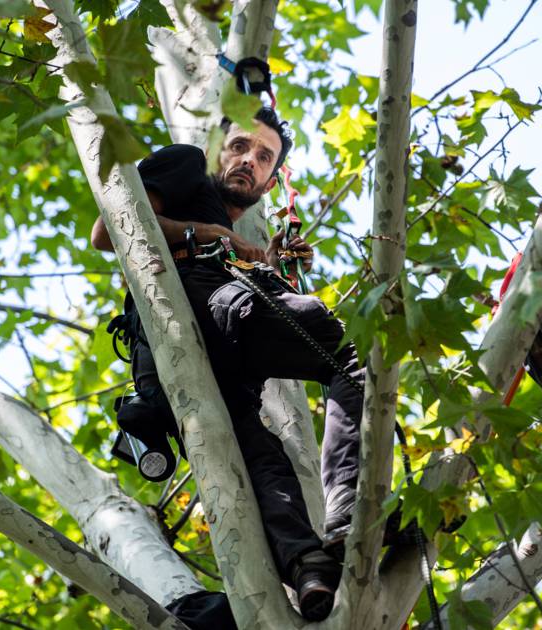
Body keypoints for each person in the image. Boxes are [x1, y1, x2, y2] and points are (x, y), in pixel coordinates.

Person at [90, 107, 366, 623]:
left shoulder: (229, 228)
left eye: (264, 158)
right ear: (217, 148)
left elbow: (225, 254)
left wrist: (267, 261)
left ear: (270, 180)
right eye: (240, 146)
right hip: (196, 308)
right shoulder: (187, 163)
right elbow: (111, 230)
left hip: (207, 350)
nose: (248, 161)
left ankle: (308, 565)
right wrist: (213, 238)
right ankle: (351, 518)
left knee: (259, 456)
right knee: (354, 352)